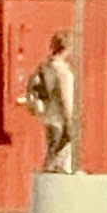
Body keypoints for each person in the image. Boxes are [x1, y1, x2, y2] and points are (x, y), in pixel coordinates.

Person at [20, 30, 80, 175]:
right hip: (60, 118)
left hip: (49, 115)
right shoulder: (62, 70)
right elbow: (64, 96)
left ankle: (51, 178)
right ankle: (53, 183)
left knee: (52, 150)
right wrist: (69, 120)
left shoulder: (44, 67)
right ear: (67, 48)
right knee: (59, 157)